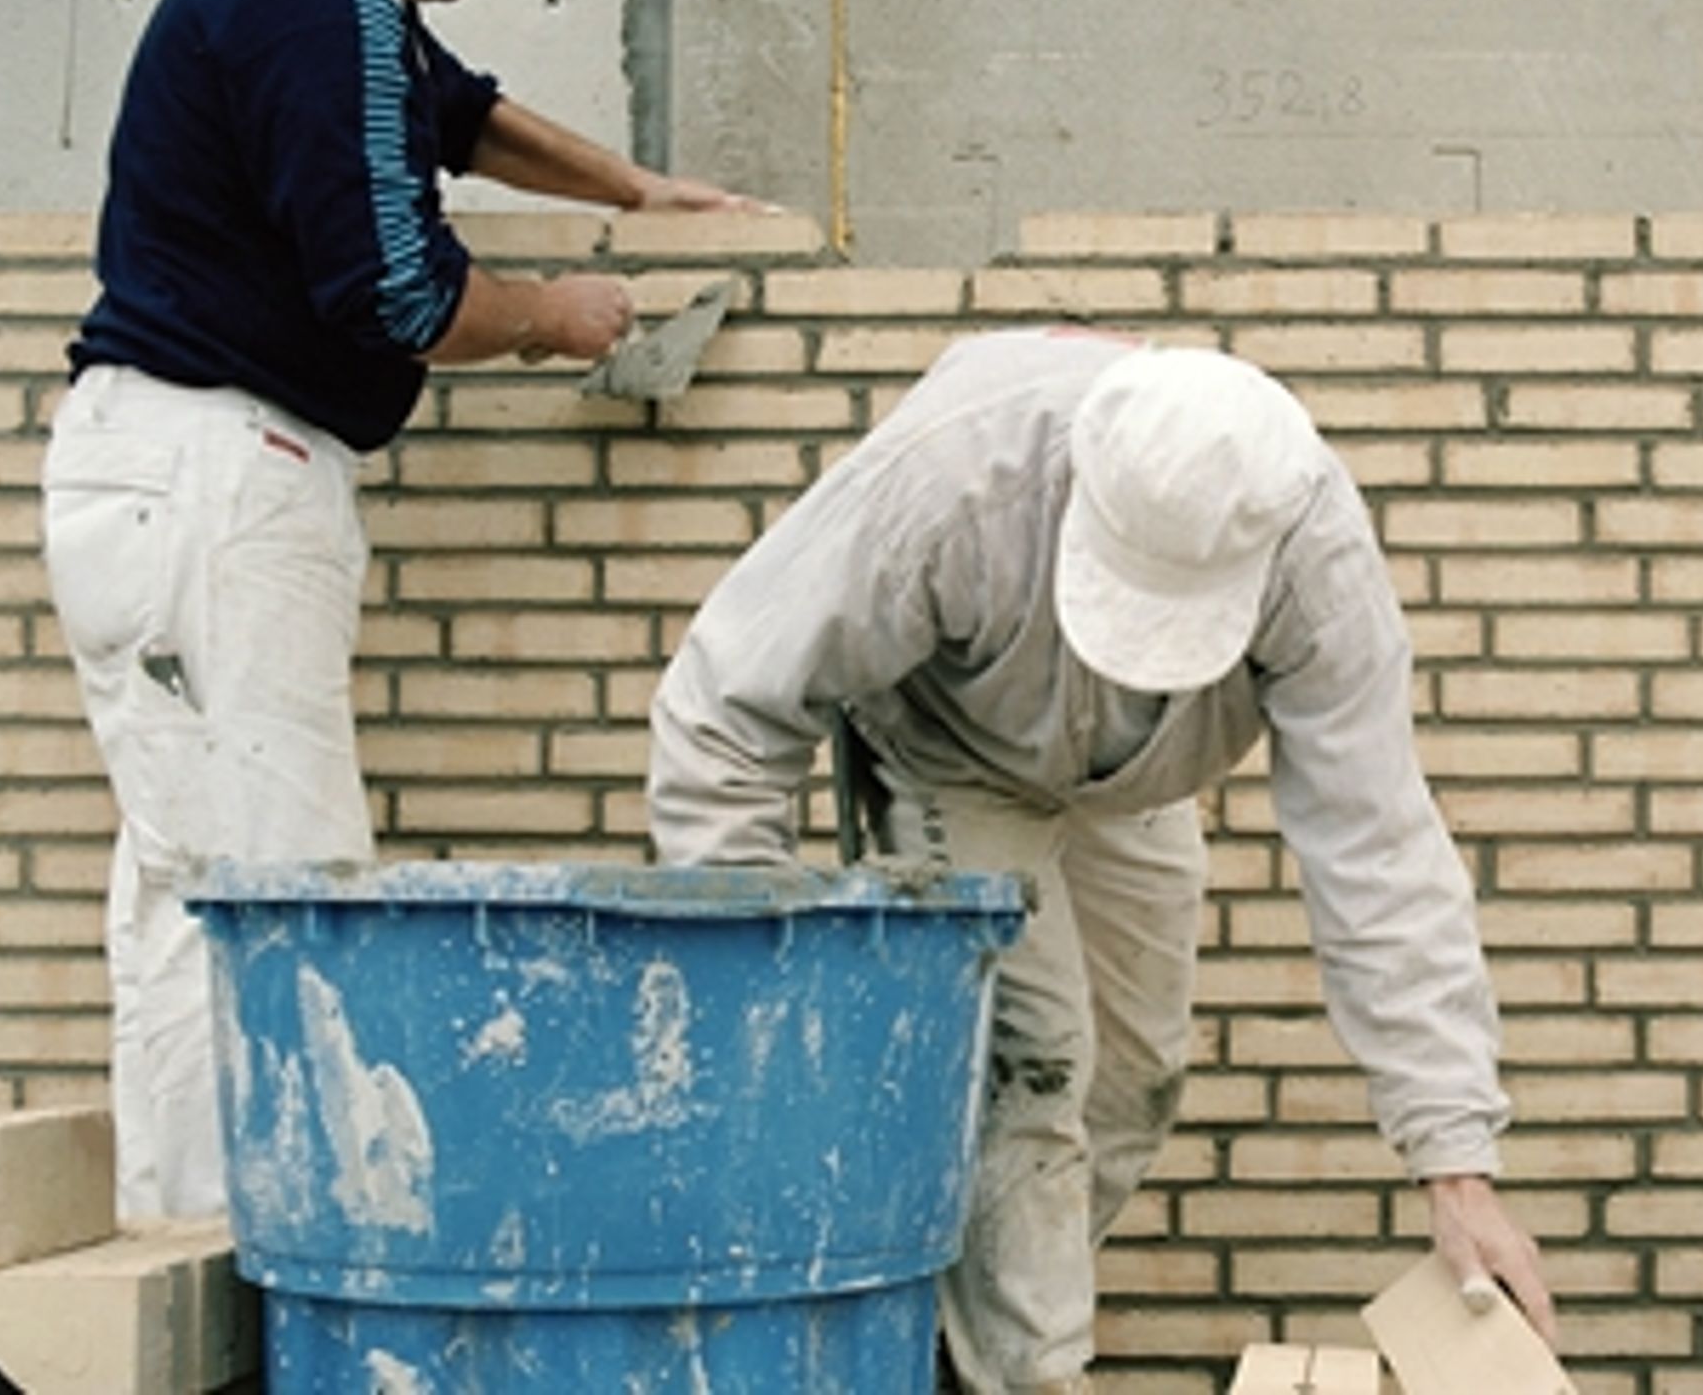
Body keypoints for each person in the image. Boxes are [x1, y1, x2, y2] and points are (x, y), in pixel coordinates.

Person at [40, 0, 758, 1225]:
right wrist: (567, 314)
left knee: (188, 894)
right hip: (222, 482)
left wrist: (642, 189)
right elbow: (403, 296)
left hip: (137, 472)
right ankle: (288, 1260)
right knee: (290, 883)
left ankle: (190, 1254)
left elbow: (462, 116)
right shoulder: (325, 6)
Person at [646, 328, 1558, 1394]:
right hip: (950, 753)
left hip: (1137, 778)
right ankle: (1032, 1374)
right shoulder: (953, 477)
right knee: (1035, 1061)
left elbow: (1379, 849)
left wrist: (1455, 1164)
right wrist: (768, 1003)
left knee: (1132, 1079)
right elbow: (723, 711)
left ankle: (969, 1349)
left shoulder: (1314, 553)